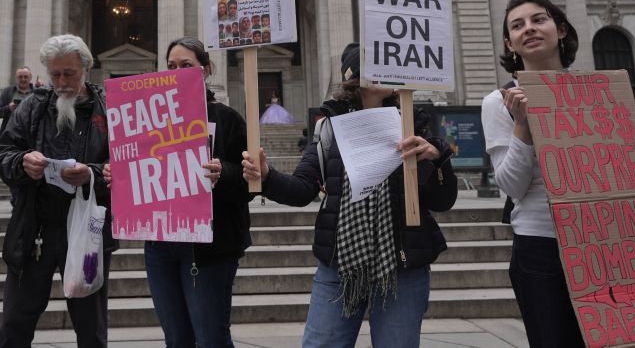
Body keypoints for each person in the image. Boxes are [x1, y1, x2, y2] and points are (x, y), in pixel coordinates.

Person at [481, 0, 635, 348]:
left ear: (561, 29)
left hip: (611, 243)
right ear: (510, 43)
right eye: (517, 26)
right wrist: (523, 125)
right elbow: (512, 187)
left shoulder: (599, 93)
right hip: (543, 251)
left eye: (539, 19)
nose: (529, 29)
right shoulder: (498, 102)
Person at [242, 42, 458, 348]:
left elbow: (443, 201)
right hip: (339, 264)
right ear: (355, 77)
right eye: (377, 63)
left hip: (403, 265)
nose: (387, 69)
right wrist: (267, 177)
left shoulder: (413, 124)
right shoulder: (330, 129)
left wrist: (437, 160)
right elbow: (302, 189)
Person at [105, 37, 253, 347]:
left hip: (210, 248)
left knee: (211, 339)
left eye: (186, 65)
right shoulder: (147, 121)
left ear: (205, 70)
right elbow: (140, 169)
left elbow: (249, 185)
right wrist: (118, 174)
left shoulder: (227, 120)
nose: (176, 72)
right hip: (160, 246)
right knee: (176, 339)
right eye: (171, 66)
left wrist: (223, 173)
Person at [0, 35, 115, 348]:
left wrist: (92, 174)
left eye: (70, 74)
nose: (62, 82)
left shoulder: (109, 109)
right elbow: (4, 152)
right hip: (34, 231)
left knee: (91, 329)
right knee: (14, 324)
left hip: (88, 233)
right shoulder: (32, 106)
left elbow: (125, 164)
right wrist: (22, 162)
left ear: (86, 68)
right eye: (55, 74)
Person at [0, 66, 35, 134]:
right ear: (16, 78)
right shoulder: (7, 92)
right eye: (20, 77)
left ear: (30, 77)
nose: (23, 79)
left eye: (26, 77)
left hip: (30, 134)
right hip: (10, 134)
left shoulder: (36, 93)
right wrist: (8, 108)